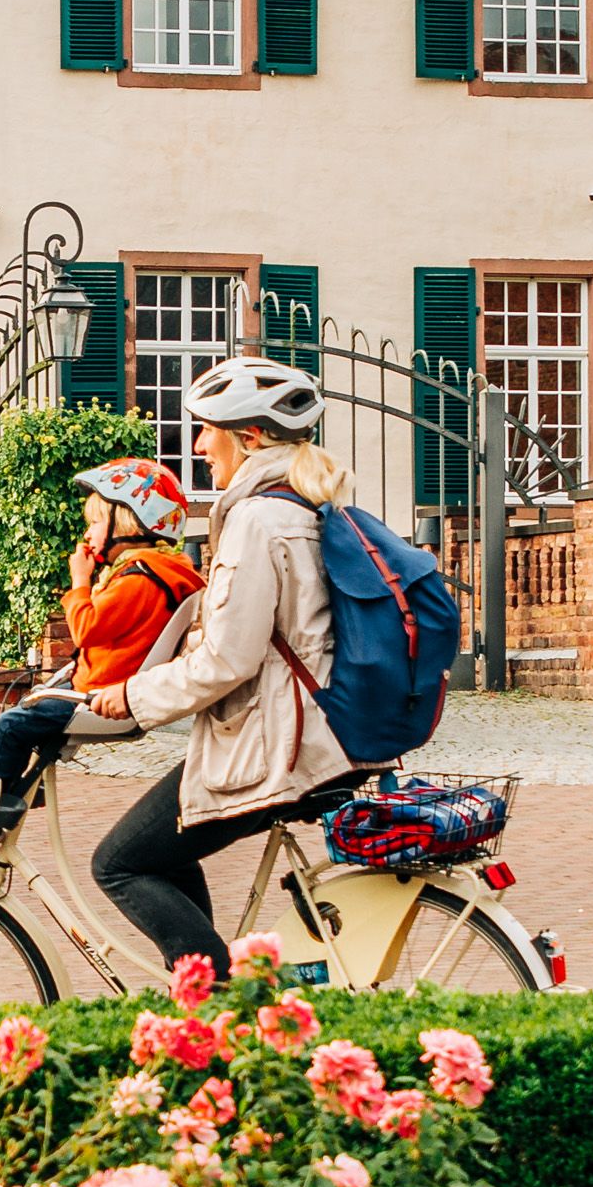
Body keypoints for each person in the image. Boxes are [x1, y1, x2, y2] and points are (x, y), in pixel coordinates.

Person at [82, 356, 372, 980]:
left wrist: (133, 696)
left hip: (279, 748)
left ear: (252, 437)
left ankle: (212, 1013)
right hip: (316, 735)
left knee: (120, 864)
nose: (198, 443)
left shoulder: (257, 519)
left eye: (208, 427)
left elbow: (228, 659)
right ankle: (212, 986)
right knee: (171, 832)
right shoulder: (303, 505)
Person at [0, 455, 204, 844]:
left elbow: (87, 629)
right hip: (102, 686)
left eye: (95, 522)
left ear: (127, 523)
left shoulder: (141, 580)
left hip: (102, 697)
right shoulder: (158, 573)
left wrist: (79, 581)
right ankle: (18, 792)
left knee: (12, 724)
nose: (87, 533)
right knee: (31, 711)